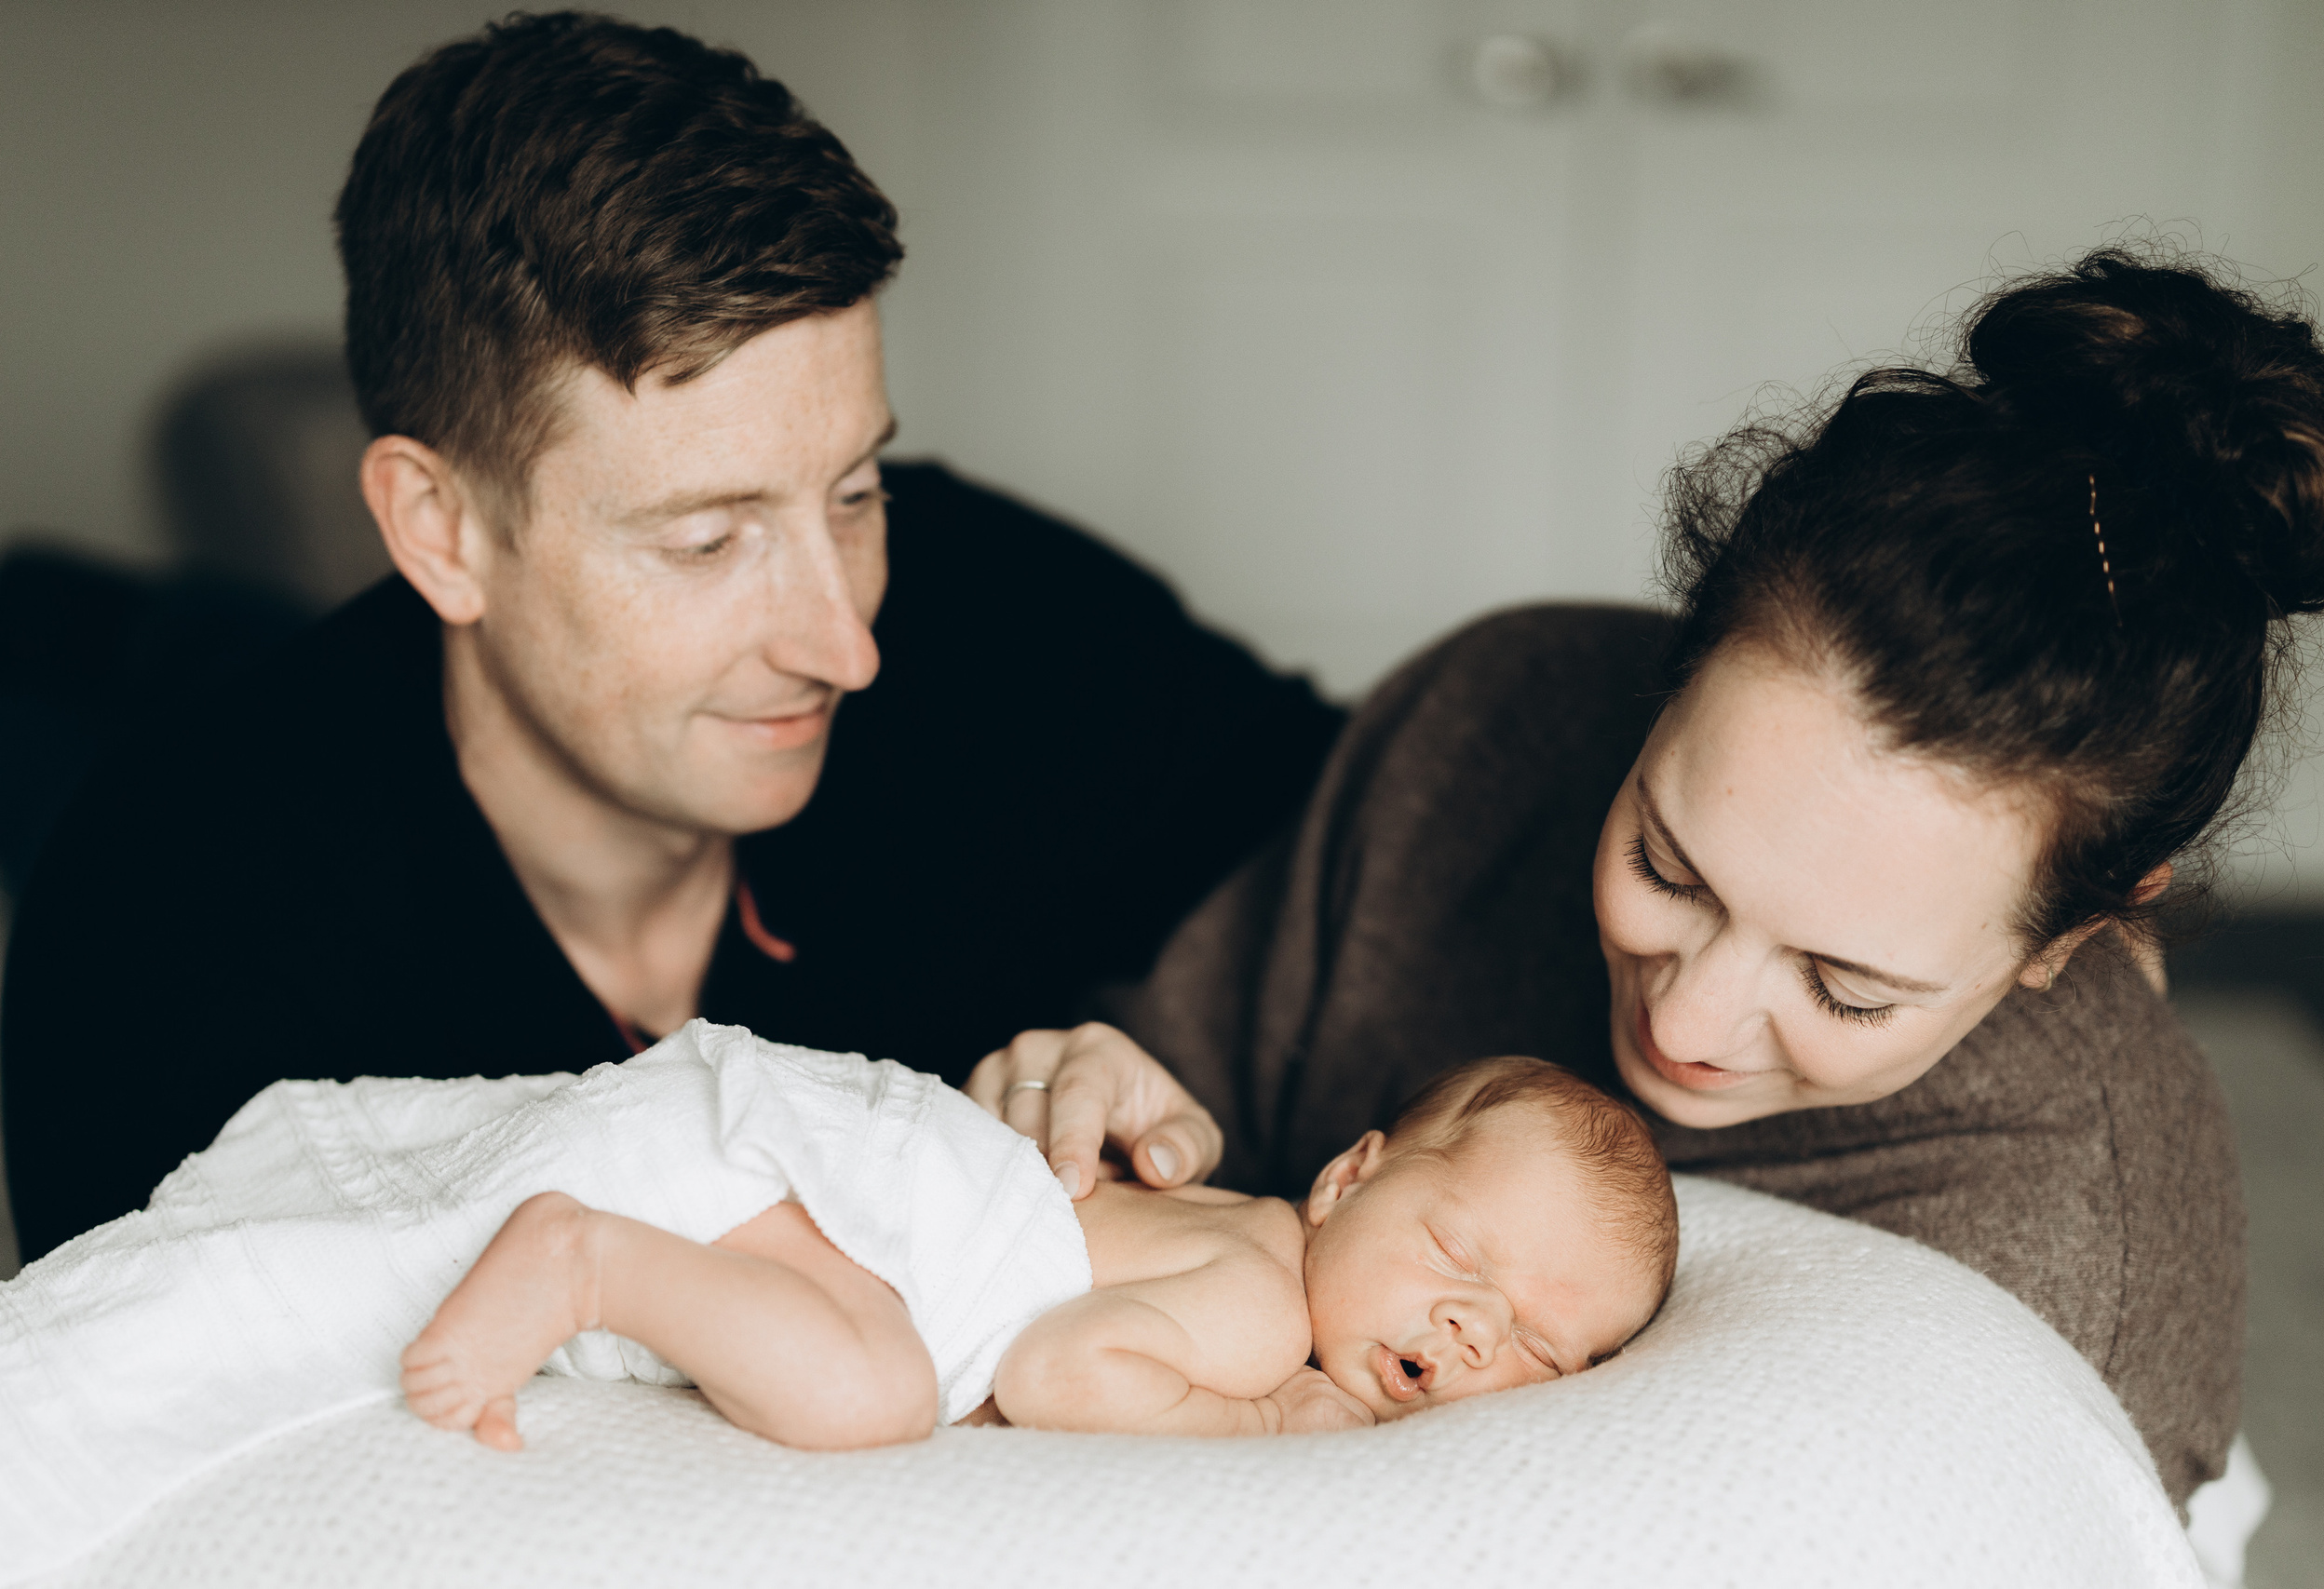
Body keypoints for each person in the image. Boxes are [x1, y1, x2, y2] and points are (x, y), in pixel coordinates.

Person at [969, 248, 2324, 1507]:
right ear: (1671, 675)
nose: (1686, 1027)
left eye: (1845, 986)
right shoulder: (1491, 726)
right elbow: (1200, 1153)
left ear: (2078, 926)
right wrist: (1098, 1124)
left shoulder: (2075, 1267)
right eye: (1665, 863)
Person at [0, 14, 1337, 1259]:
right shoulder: (170, 938)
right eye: (708, 539)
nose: (846, 647)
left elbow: (1386, 837)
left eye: (856, 490)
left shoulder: (989, 608)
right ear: (439, 528)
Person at [400, 1054, 1677, 1448]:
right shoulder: (1263, 1308)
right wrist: (1264, 1428)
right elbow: (1064, 1371)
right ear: (1347, 1179)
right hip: (865, 1209)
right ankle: (589, 1263)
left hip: (835, 1163)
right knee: (873, 1391)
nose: (1470, 1327)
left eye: (1536, 1347)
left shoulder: (1237, 1227)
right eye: (1459, 1254)